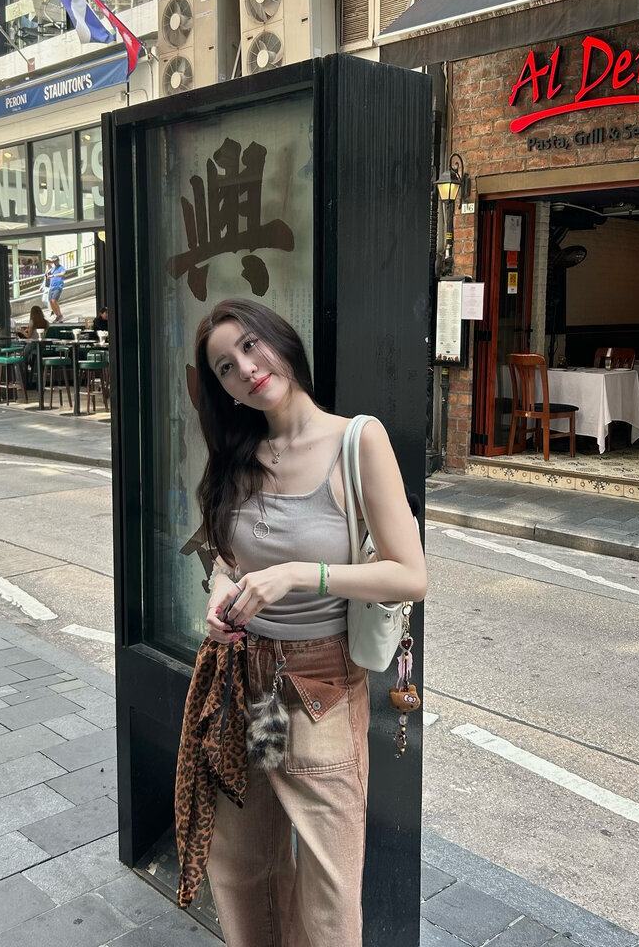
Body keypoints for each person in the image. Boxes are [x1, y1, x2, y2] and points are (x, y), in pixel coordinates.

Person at [188, 298, 428, 947]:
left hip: (320, 687)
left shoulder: (358, 440)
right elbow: (225, 558)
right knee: (243, 868)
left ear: (281, 341)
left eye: (250, 346)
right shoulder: (239, 453)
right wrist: (220, 592)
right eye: (225, 367)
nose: (245, 368)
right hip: (242, 679)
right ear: (224, 390)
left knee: (328, 894)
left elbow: (411, 575)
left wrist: (300, 574)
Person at [17, 305, 49, 387]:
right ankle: (36, 381)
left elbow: (28, 336)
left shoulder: (32, 321)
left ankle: (24, 381)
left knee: (22, 360)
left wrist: (22, 331)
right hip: (41, 345)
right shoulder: (46, 323)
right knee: (35, 360)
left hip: (32, 344)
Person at [47, 256, 66, 322]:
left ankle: (60, 315)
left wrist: (53, 275)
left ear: (58, 260)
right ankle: (57, 315)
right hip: (52, 287)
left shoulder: (61, 267)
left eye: (55, 261)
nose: (54, 262)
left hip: (58, 286)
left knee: (54, 300)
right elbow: (48, 273)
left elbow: (62, 273)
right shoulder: (53, 268)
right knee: (50, 301)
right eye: (53, 261)